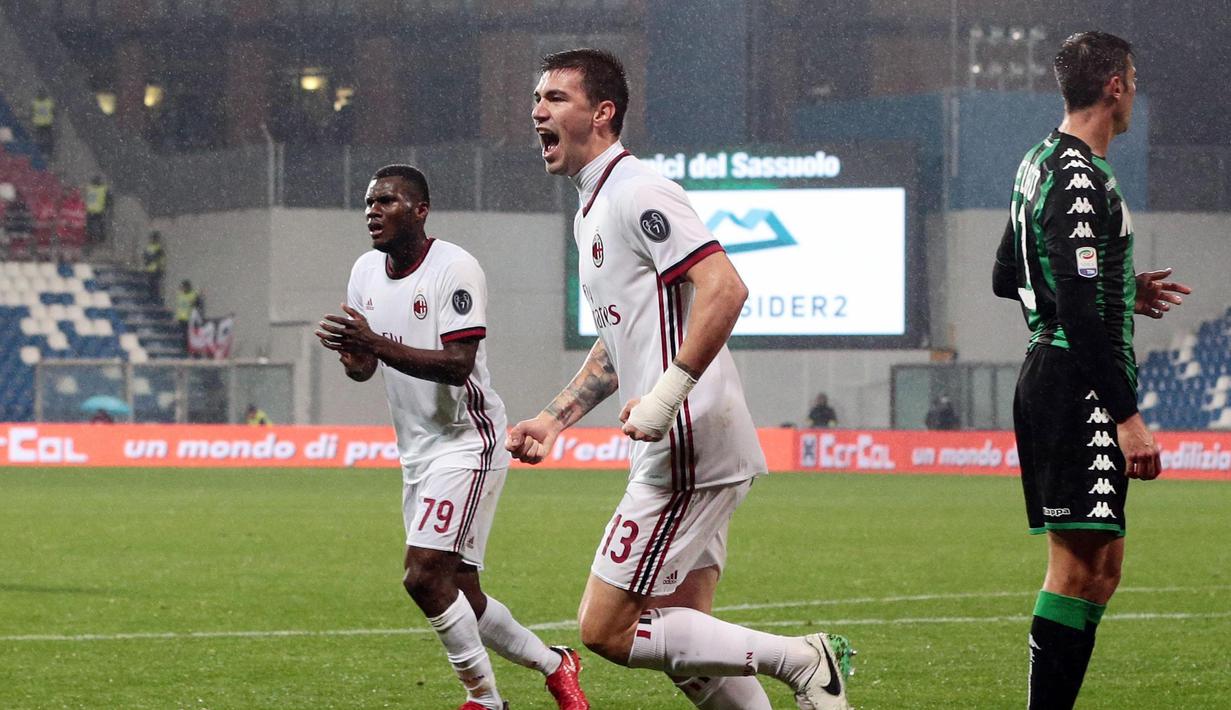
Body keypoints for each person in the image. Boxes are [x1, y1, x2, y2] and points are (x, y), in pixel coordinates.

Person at [508, 49, 854, 710]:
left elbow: (725, 287)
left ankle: (804, 659)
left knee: (606, 628)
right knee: (685, 638)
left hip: (685, 437)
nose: (536, 111)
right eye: (537, 99)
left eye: (555, 98)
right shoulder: (591, 210)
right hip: (678, 435)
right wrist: (555, 418)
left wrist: (666, 398)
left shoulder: (638, 189)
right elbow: (617, 347)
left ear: (602, 113)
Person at [315, 165, 589, 710]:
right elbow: (367, 367)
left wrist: (375, 342)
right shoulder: (365, 271)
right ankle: (557, 665)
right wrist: (356, 358)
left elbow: (459, 364)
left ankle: (484, 700)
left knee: (421, 577)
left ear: (420, 210)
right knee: (460, 590)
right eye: (368, 203)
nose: (372, 211)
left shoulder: (454, 268)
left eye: (386, 201)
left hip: (468, 441)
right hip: (416, 452)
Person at [991, 32, 1192, 709]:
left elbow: (1004, 274)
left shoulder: (1036, 162)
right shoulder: (1078, 176)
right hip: (1073, 382)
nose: (1133, 90)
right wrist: (1128, 418)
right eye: (1131, 78)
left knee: (1100, 568)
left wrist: (1117, 284)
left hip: (1062, 377)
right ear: (1114, 86)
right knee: (1076, 570)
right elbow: (1075, 315)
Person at [175, 279, 200, 352]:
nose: (182, 288)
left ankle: (188, 349)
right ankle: (184, 348)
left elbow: (197, 305)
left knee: (188, 335)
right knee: (183, 335)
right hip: (181, 318)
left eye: (184, 287)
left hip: (190, 318)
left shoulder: (193, 295)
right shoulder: (180, 294)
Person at [84, 175, 110, 245]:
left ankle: (90, 238)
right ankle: (100, 238)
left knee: (90, 226)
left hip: (90, 210)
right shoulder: (103, 189)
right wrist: (107, 206)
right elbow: (108, 200)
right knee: (101, 225)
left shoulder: (89, 188)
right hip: (99, 210)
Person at [143, 231, 167, 298]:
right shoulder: (148, 247)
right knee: (150, 284)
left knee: (155, 285)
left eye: (154, 238)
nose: (152, 239)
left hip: (156, 269)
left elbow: (162, 259)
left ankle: (154, 297)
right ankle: (151, 296)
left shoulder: (159, 248)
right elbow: (145, 258)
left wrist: (161, 268)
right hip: (149, 269)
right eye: (152, 238)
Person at [31, 90, 54, 157]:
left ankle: (42, 152)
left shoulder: (35, 102)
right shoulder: (49, 102)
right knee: (48, 139)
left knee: (41, 139)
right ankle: (48, 153)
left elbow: (32, 112)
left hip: (40, 124)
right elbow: (54, 111)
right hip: (47, 124)